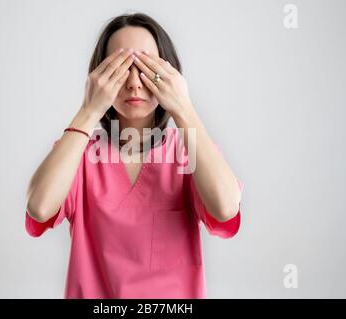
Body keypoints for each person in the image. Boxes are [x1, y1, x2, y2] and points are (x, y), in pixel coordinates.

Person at [25, 12, 244, 298]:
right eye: (119, 68)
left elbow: (226, 207)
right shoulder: (79, 153)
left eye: (146, 67)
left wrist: (183, 108)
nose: (134, 83)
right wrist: (89, 110)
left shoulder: (187, 151)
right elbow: (39, 207)